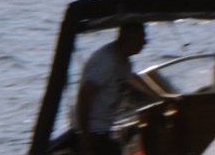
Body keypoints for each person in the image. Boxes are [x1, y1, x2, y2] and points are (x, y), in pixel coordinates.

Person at [63, 17, 159, 147]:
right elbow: (85, 95)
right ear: (129, 38)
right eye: (141, 38)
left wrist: (157, 96)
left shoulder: (123, 59)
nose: (144, 42)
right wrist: (84, 137)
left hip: (106, 126)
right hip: (94, 130)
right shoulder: (107, 61)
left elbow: (131, 77)